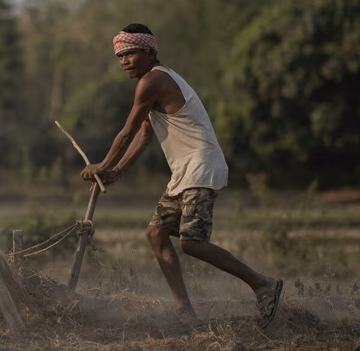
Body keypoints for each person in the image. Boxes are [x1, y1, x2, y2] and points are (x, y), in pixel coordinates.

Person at [80, 23, 283, 326]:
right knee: (156, 234)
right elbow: (145, 135)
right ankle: (182, 310)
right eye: (120, 56)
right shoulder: (155, 82)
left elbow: (127, 131)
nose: (124, 61)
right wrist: (117, 171)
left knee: (192, 242)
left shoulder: (153, 81)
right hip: (186, 172)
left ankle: (263, 284)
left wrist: (102, 165)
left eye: (130, 54)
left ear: (148, 51)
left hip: (200, 167)